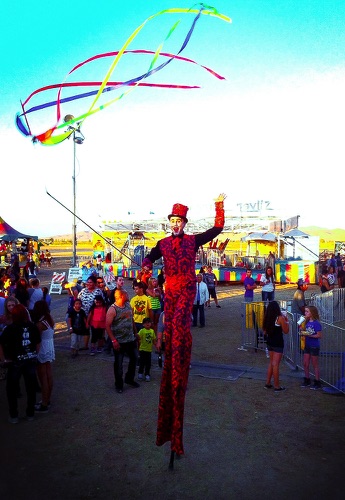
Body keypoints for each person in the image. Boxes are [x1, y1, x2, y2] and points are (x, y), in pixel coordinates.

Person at [141, 193, 225, 464]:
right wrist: (146, 271)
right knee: (169, 325)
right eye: (173, 220)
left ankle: (179, 358)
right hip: (170, 292)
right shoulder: (163, 244)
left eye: (179, 220)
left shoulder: (192, 240)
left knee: (179, 328)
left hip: (186, 290)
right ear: (170, 223)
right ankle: (171, 358)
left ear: (184, 223)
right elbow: (148, 259)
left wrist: (219, 206)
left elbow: (217, 229)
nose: (175, 224)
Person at [0, 304, 41, 423]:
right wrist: (34, 355)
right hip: (29, 360)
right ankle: (30, 413)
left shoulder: (9, 329)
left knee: (11, 389)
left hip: (15, 361)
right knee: (30, 387)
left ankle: (14, 415)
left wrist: (3, 359)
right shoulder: (32, 327)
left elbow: (1, 344)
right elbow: (38, 342)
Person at [105, 289, 140, 393]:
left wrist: (135, 332)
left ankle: (129, 379)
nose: (128, 295)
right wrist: (113, 341)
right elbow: (107, 326)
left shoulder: (128, 305)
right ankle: (119, 384)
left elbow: (131, 319)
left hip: (130, 339)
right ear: (120, 296)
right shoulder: (112, 309)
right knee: (119, 363)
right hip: (119, 341)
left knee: (134, 358)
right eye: (126, 293)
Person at [32, 300, 55, 412]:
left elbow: (37, 340)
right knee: (48, 374)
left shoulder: (40, 324)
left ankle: (44, 402)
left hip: (42, 348)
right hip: (49, 346)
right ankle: (47, 399)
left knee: (42, 377)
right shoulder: (49, 319)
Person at [262, 301, 289, 392]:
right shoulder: (280, 318)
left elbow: (264, 332)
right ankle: (277, 386)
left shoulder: (267, 318)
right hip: (278, 343)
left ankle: (268, 382)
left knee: (271, 363)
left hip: (270, 342)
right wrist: (287, 321)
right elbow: (286, 331)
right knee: (276, 364)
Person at [299, 305, 322, 390]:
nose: (305, 313)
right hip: (307, 345)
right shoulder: (307, 322)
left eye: (307, 311)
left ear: (312, 313)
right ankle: (307, 379)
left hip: (314, 346)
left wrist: (309, 335)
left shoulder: (316, 323)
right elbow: (306, 331)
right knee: (305, 363)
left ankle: (317, 381)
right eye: (305, 311)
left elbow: (319, 335)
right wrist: (302, 330)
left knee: (315, 364)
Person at [78, 275, 102, 349]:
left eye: (90, 282)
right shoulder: (83, 290)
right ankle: (85, 346)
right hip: (84, 314)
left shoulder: (98, 291)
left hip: (94, 315)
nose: (88, 284)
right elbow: (78, 299)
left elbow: (101, 302)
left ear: (94, 283)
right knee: (86, 330)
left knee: (95, 330)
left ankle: (98, 345)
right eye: (87, 282)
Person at [137, 317, 156, 381]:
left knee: (148, 363)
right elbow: (138, 337)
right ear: (143, 324)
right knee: (142, 362)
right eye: (146, 323)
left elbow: (154, 340)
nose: (147, 324)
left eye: (149, 322)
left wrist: (156, 345)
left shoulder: (152, 331)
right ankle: (140, 373)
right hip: (142, 349)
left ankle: (147, 374)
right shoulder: (142, 331)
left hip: (149, 350)